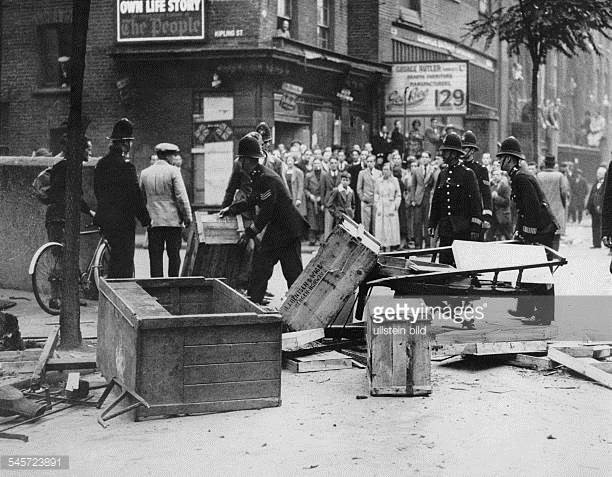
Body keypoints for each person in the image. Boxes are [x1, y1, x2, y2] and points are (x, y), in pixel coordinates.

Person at [219, 135, 308, 304]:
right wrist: (231, 209)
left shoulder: (266, 178)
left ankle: (296, 308)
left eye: (240, 160)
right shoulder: (259, 175)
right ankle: (254, 302)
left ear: (246, 160)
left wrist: (250, 232)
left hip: (287, 230)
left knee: (290, 272)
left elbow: (267, 210)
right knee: (264, 267)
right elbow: (252, 199)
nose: (239, 163)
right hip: (280, 229)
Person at [498, 136, 557, 324]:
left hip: (541, 230)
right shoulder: (518, 176)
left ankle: (544, 315)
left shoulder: (521, 178)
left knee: (538, 272)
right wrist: (519, 231)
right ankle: (526, 308)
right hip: (536, 228)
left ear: (510, 159)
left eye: (502, 158)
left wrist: (528, 234)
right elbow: (522, 210)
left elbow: (531, 208)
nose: (499, 161)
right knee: (529, 269)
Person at [94, 118, 150, 278]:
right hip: (123, 223)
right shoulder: (127, 167)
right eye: (130, 142)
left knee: (113, 262)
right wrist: (145, 219)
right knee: (123, 266)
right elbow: (135, 196)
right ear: (125, 143)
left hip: (105, 220)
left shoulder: (101, 164)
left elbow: (97, 191)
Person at [428, 133, 482, 265]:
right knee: (444, 265)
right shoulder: (443, 174)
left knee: (462, 265)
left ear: (453, 153)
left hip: (462, 229)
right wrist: (432, 223)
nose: (443, 154)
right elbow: (436, 201)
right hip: (445, 229)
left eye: (445, 152)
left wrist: (475, 227)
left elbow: (476, 202)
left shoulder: (467, 174)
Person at [139, 143, 192, 278]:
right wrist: (187, 218)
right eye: (174, 155)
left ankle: (157, 289)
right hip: (172, 223)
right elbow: (181, 198)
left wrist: (146, 218)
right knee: (174, 257)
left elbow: (142, 198)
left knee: (155, 258)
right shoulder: (174, 171)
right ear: (168, 156)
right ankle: (173, 286)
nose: (175, 158)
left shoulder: (145, 173)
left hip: (154, 222)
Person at [462, 130, 493, 240]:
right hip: (459, 217)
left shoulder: (480, 170)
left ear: (472, 150)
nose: (462, 151)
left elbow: (486, 195)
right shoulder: (456, 169)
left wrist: (486, 218)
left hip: (475, 216)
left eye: (465, 148)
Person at [536, 155, 570, 251]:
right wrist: (563, 204)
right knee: (556, 235)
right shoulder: (559, 176)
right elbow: (564, 192)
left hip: (543, 210)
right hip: (557, 209)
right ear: (554, 164)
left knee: (544, 236)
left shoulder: (539, 176)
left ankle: (547, 257)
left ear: (545, 164)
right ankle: (555, 255)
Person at [374, 163, 402, 251]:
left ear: (391, 171)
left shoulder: (395, 180)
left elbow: (398, 195)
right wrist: (377, 205)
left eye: (387, 169)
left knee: (390, 228)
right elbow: (376, 194)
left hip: (391, 206)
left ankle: (390, 248)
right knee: (381, 228)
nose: (385, 171)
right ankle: (381, 248)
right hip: (381, 206)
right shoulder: (378, 180)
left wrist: (395, 206)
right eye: (384, 169)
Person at [357, 155, 381, 234]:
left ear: (374, 162)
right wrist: (362, 198)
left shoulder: (379, 173)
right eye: (368, 162)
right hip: (366, 201)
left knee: (376, 223)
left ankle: (376, 242)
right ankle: (365, 241)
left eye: (371, 161)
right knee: (365, 223)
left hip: (376, 201)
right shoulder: (362, 173)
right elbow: (359, 188)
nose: (369, 163)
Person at [305, 157, 325, 244]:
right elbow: (305, 189)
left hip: (321, 200)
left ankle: (321, 238)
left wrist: (322, 197)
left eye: (318, 163)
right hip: (312, 201)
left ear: (321, 165)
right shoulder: (308, 176)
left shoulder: (325, 175)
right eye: (315, 164)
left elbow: (327, 188)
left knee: (321, 219)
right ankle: (312, 239)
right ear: (312, 165)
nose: (317, 165)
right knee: (312, 220)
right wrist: (310, 196)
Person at [488, 169, 513, 241]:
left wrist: (497, 197)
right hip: (494, 216)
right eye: (494, 175)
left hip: (503, 216)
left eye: (497, 175)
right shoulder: (491, 187)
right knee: (489, 236)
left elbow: (507, 202)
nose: (495, 176)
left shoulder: (505, 187)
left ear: (501, 176)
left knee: (507, 236)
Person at [586, 166, 607, 248]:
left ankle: (604, 243)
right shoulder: (595, 183)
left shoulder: (606, 184)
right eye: (597, 173)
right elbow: (591, 196)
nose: (597, 175)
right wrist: (588, 207)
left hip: (601, 208)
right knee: (594, 226)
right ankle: (596, 243)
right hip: (593, 209)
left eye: (599, 173)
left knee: (601, 226)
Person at [321, 157, 342, 239]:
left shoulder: (341, 175)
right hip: (329, 202)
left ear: (338, 164)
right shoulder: (325, 175)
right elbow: (322, 189)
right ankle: (326, 244)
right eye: (332, 163)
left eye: (335, 163)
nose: (333, 165)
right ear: (329, 165)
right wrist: (323, 203)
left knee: (339, 225)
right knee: (328, 225)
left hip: (339, 202)